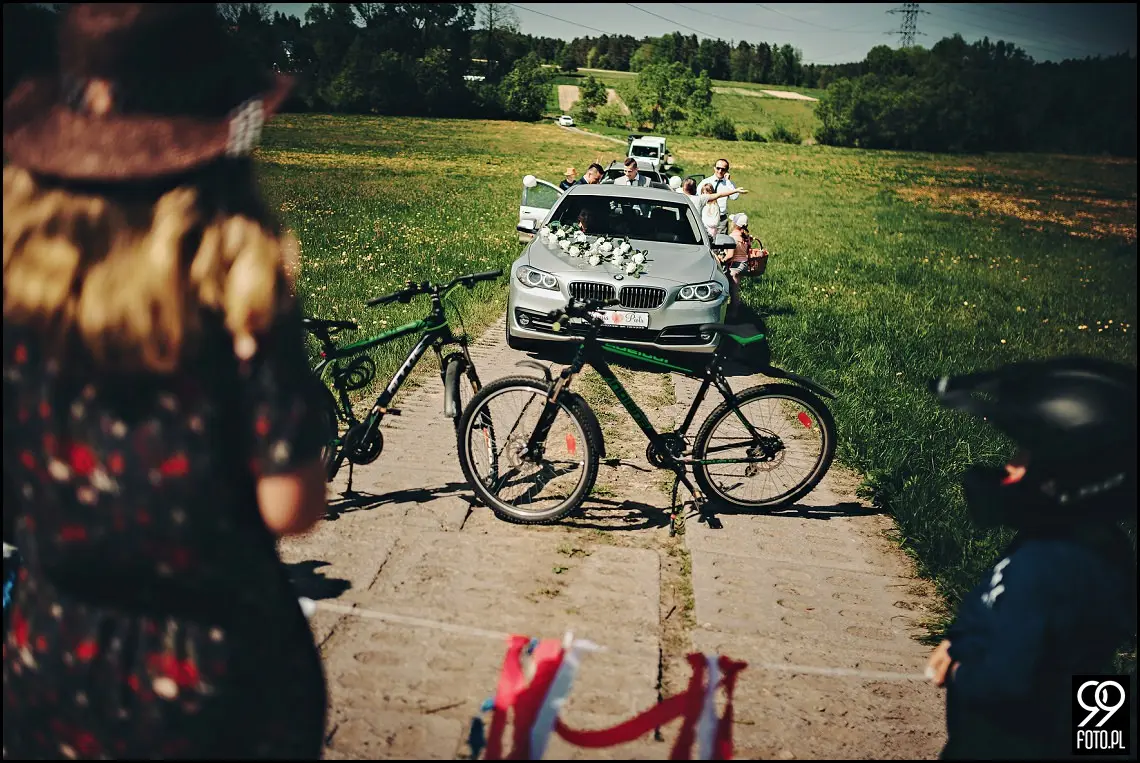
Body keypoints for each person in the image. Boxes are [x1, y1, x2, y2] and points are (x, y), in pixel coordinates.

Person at [2, 4, 329, 759]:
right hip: (212, 676)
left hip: (51, 661)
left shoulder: (18, 281)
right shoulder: (241, 281)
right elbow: (291, 503)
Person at [926, 358, 1137, 761]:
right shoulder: (1090, 547)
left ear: (1069, 473)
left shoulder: (1045, 568)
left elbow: (1007, 680)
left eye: (1023, 455)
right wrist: (959, 638)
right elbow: (1097, 673)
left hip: (1005, 742)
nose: (1009, 466)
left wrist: (960, 669)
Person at [721, 213, 767, 320]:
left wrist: (722, 260)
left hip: (735, 267)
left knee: (733, 292)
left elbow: (730, 255)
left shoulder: (732, 237)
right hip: (744, 264)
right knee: (735, 290)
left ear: (735, 224)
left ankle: (733, 314)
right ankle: (734, 310)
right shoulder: (745, 237)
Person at [698, 159, 740, 234]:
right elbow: (697, 197)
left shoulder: (728, 184)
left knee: (720, 242)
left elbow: (735, 197)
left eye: (723, 169)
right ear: (714, 168)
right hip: (706, 217)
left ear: (727, 171)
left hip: (721, 219)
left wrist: (728, 182)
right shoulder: (705, 182)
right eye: (718, 168)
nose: (720, 171)